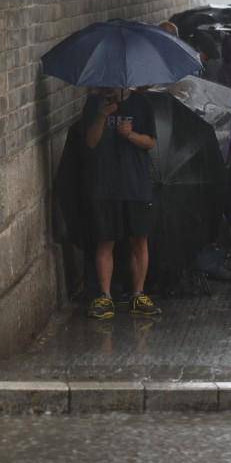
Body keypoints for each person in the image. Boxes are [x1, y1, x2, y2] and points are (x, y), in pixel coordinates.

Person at [83, 87, 161, 319]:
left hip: (135, 184)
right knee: (105, 241)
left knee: (139, 241)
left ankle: (138, 294)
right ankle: (105, 296)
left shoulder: (142, 104)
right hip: (106, 185)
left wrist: (130, 135)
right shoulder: (94, 104)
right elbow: (90, 142)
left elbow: (150, 142)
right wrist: (102, 115)